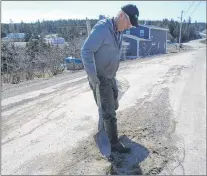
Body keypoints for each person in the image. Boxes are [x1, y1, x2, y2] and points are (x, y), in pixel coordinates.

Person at [81, 4, 139, 153]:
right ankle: (113, 144)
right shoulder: (102, 29)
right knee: (109, 112)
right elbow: (86, 51)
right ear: (121, 16)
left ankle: (105, 129)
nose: (128, 27)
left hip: (111, 76)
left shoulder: (117, 30)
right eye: (128, 23)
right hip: (101, 78)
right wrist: (93, 77)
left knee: (113, 105)